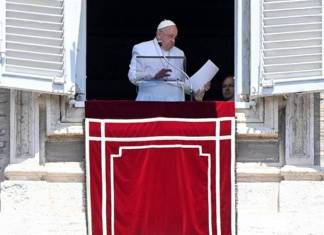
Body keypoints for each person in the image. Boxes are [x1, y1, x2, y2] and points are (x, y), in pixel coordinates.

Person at [128, 19, 208, 101]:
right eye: (170, 36)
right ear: (159, 34)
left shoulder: (179, 53)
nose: (173, 41)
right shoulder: (141, 49)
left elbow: (180, 82)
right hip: (150, 100)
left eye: (175, 37)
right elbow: (132, 76)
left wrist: (198, 87)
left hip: (176, 103)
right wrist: (153, 75)